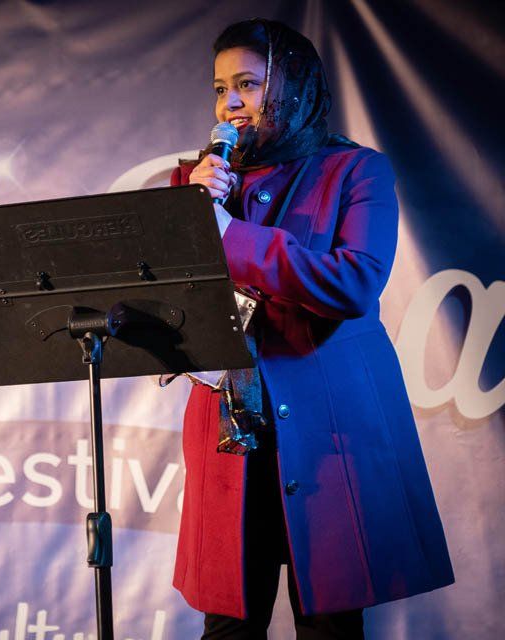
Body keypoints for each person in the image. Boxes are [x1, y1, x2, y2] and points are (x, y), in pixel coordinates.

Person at [170, 19, 454, 639]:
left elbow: (353, 284)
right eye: (220, 89)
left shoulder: (357, 171)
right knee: (228, 625)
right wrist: (186, 216)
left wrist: (231, 236)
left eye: (248, 83)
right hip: (231, 433)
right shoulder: (195, 184)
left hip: (330, 431)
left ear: (292, 84)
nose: (230, 103)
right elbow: (171, 300)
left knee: (330, 623)